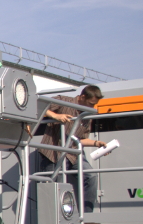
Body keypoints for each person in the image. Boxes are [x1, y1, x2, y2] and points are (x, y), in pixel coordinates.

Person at [37, 85, 109, 213]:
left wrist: (97, 143)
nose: (92, 107)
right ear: (82, 97)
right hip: (54, 153)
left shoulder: (87, 115)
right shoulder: (64, 101)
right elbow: (38, 104)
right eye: (90, 103)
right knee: (56, 187)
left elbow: (80, 139)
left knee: (91, 176)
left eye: (94, 105)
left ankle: (87, 216)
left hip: (73, 153)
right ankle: (56, 219)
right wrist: (55, 115)